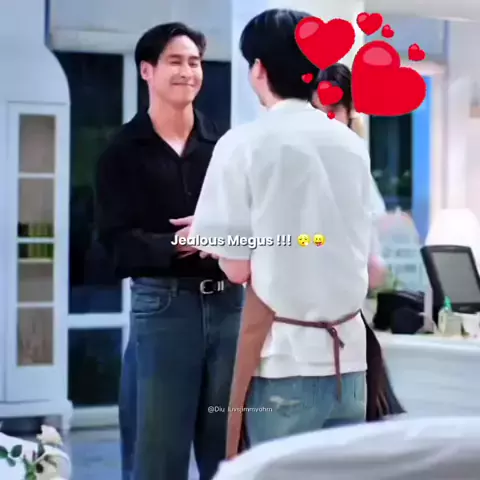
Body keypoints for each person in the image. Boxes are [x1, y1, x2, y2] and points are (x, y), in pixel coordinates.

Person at [187, 9, 374, 458]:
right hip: (351, 363)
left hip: (286, 364)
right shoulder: (351, 144)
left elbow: (236, 269)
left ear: (259, 69)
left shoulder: (244, 143)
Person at [95, 23, 244, 480]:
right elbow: (117, 246)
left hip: (230, 307)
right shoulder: (122, 151)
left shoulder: (227, 147)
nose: (187, 72)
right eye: (175, 61)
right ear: (147, 70)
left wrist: (221, 233)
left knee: (231, 450)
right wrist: (182, 241)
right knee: (157, 453)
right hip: (163, 308)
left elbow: (253, 224)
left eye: (194, 62)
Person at [311, 63, 405, 419]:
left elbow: (370, 238)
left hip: (346, 306)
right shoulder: (299, 157)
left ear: (350, 111)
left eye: (334, 110)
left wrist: (371, 260)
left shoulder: (355, 158)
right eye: (318, 110)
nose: (326, 119)